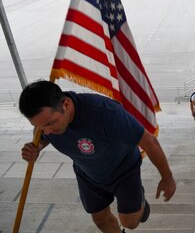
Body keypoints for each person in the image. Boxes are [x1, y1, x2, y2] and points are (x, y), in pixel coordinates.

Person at [19, 81, 176, 233]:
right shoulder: (47, 123)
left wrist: (167, 178)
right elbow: (42, 136)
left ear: (66, 105)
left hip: (123, 169)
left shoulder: (105, 113)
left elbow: (149, 141)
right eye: (40, 127)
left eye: (50, 124)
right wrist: (37, 147)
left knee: (130, 222)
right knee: (100, 220)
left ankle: (139, 199)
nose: (46, 131)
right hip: (87, 173)